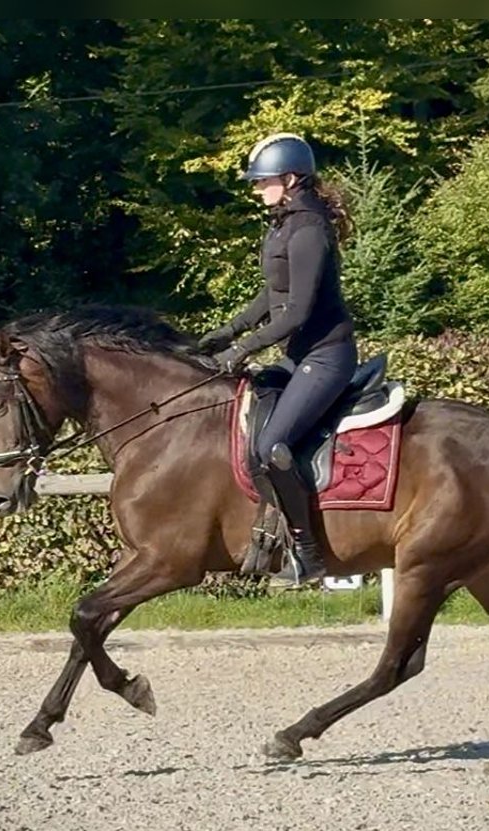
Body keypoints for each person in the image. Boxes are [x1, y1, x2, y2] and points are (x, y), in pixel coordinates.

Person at [198, 132, 358, 589]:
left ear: (290, 178)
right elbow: (272, 294)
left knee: (273, 447)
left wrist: (243, 349)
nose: (256, 188)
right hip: (299, 356)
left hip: (327, 357)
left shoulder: (308, 228)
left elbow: (298, 312)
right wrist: (225, 333)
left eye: (262, 180)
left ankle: (308, 553)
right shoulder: (284, 223)